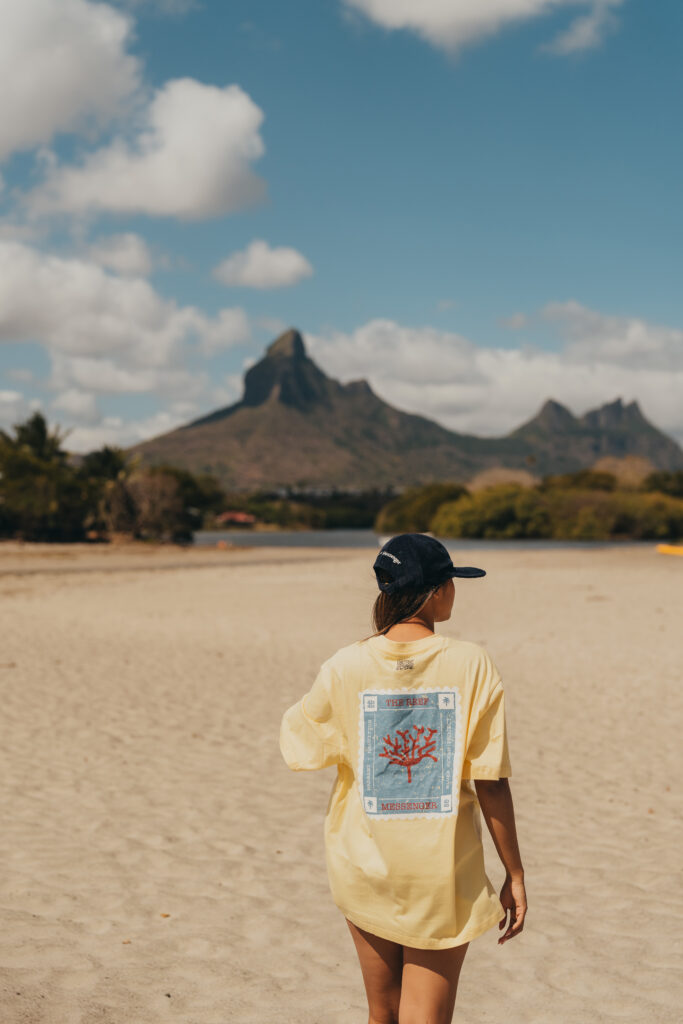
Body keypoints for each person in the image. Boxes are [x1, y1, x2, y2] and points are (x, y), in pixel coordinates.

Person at [279, 533, 527, 1024]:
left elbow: (300, 745)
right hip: (439, 874)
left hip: (364, 863)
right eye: (452, 582)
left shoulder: (345, 663)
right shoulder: (471, 663)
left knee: (383, 1013)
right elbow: (491, 780)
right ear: (435, 592)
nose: (455, 591)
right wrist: (514, 874)